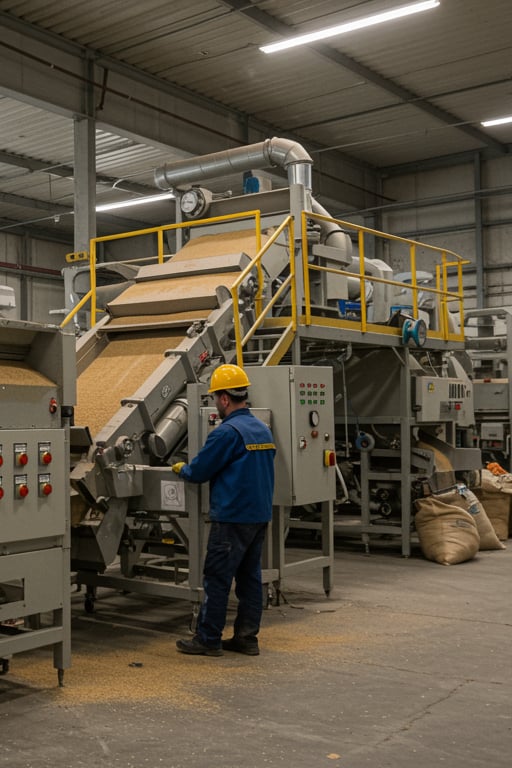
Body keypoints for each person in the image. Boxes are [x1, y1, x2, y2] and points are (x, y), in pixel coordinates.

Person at [172, 363, 276, 657]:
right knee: (250, 579)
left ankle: (208, 639)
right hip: (259, 516)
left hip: (232, 518)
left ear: (225, 398)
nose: (215, 404)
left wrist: (182, 469)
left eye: (215, 397)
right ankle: (246, 638)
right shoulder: (262, 429)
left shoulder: (226, 433)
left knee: (217, 578)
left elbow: (199, 471)